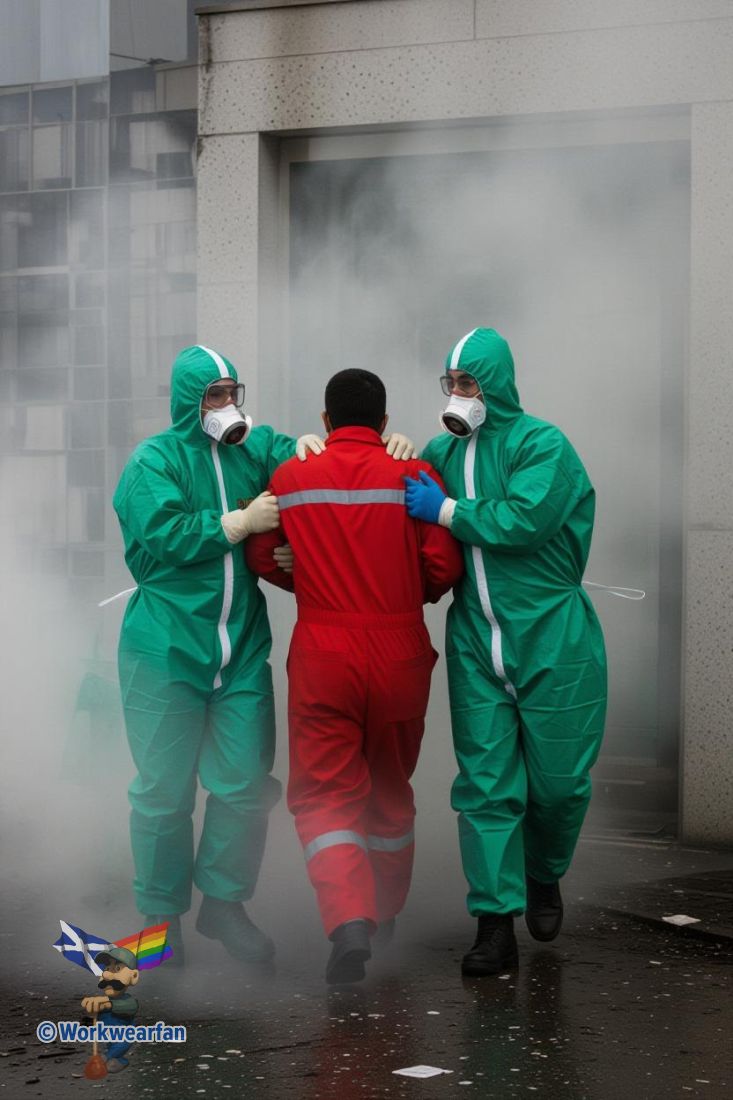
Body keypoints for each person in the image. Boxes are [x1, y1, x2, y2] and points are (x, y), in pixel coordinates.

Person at [113, 345, 416, 968]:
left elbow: (317, 462)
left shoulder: (252, 449)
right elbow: (163, 535)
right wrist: (236, 524)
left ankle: (224, 903)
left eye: (233, 392)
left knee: (246, 782)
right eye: (215, 395)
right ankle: (160, 917)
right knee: (164, 790)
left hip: (241, 647)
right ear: (189, 402)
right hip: (165, 648)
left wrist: (386, 447)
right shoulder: (154, 462)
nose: (228, 405)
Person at [246, 368, 463, 984]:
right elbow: (443, 565)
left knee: (324, 793)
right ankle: (385, 911)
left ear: (325, 420)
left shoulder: (291, 477)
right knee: (390, 787)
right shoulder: (414, 473)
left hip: (324, 653)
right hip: (399, 652)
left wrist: (305, 577)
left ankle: (349, 922)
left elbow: (261, 552)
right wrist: (406, 592)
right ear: (385, 422)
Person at [404, 327, 607, 977]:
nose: (457, 394)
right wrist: (388, 456)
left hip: (552, 634)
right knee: (485, 787)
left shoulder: (542, 445)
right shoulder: (440, 451)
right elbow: (395, 515)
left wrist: (443, 511)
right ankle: (494, 924)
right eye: (450, 383)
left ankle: (543, 871)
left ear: (495, 383)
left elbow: (524, 521)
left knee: (559, 785)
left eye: (467, 382)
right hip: (474, 639)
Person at [81, 946, 140, 1073]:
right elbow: (97, 1018)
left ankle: (106, 1058)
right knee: (113, 1051)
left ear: (134, 976)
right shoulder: (103, 1000)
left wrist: (107, 1004)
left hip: (124, 1036)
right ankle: (117, 1061)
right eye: (107, 969)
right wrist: (91, 1016)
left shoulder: (128, 1000)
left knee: (116, 1048)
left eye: (117, 969)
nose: (106, 975)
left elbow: (129, 1007)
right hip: (108, 1036)